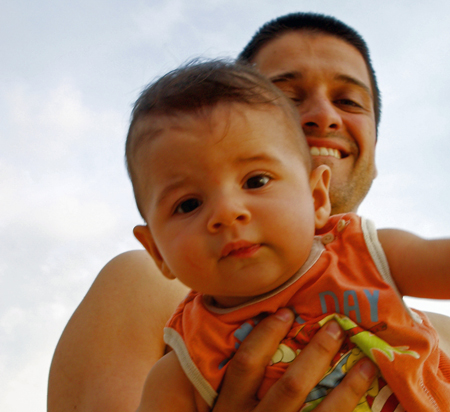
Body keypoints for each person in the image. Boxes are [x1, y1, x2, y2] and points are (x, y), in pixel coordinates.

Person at [47, 12, 450, 412]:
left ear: (317, 195)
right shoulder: (169, 327)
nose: (227, 211)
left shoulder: (387, 270)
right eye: (287, 97)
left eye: (348, 101)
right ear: (156, 250)